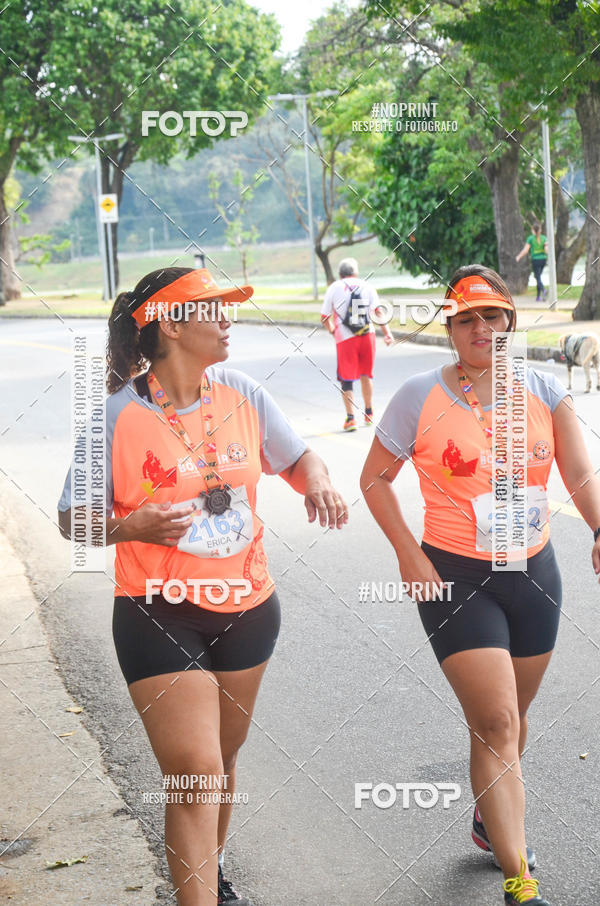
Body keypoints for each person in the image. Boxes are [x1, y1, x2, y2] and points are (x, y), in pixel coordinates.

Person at [58, 266, 348, 906]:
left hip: (248, 606)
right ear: (169, 323)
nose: (227, 320)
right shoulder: (115, 415)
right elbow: (69, 517)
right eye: (211, 308)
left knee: (221, 760)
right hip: (159, 613)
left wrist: (318, 481)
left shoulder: (242, 391)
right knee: (194, 776)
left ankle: (207, 878)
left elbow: (297, 458)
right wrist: (127, 523)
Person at [360, 264, 600, 905]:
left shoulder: (545, 391)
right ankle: (521, 881)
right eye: (466, 318)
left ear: (509, 322)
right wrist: (409, 554)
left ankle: (489, 820)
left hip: (535, 573)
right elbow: (374, 479)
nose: (481, 328)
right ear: (450, 327)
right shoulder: (420, 395)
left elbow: (577, 471)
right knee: (495, 722)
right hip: (456, 576)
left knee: (510, 720)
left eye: (492, 315)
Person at [320, 257, 394, 432]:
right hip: (368, 335)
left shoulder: (334, 288)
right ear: (356, 272)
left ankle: (351, 418)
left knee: (346, 379)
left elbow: (324, 317)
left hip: (345, 339)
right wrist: (387, 333)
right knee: (366, 374)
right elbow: (378, 312)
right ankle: (368, 412)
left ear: (340, 274)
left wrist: (332, 330)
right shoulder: (367, 286)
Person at [516, 222, 548, 301]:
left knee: (537, 277)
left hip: (535, 260)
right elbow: (546, 250)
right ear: (540, 230)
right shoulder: (544, 238)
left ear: (533, 230)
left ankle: (543, 290)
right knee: (538, 277)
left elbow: (526, 250)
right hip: (543, 260)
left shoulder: (530, 238)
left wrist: (519, 256)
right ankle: (538, 297)